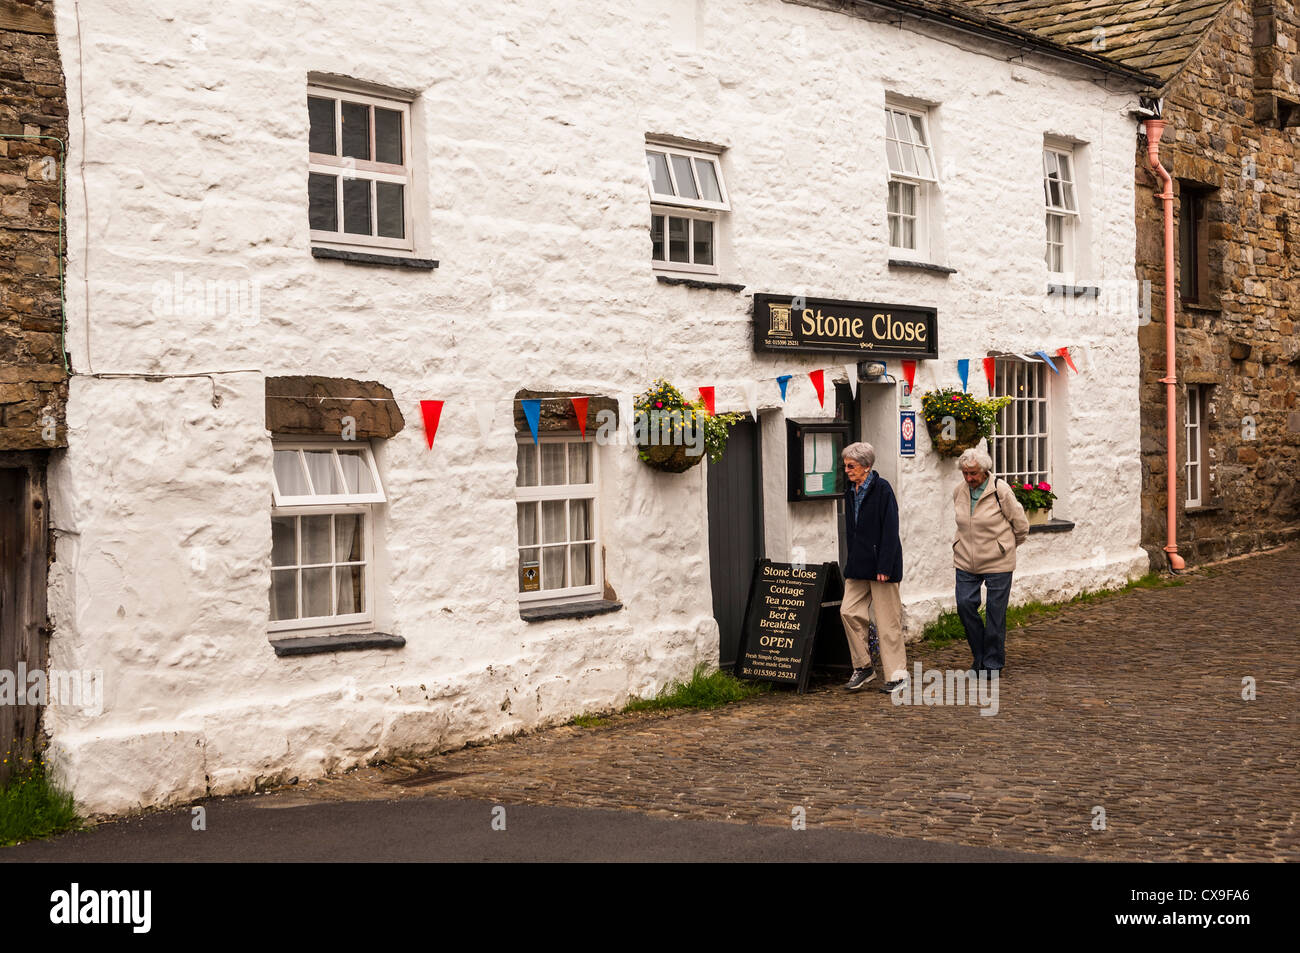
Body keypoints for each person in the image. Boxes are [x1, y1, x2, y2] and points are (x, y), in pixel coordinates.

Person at [952, 447, 1029, 675]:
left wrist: (1005, 546)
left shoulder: (1000, 490)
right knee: (965, 605)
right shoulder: (959, 491)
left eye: (973, 473)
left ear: (985, 471)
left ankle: (992, 664)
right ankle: (980, 656)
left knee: (995, 614)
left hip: (998, 561)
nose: (969, 478)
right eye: (965, 473)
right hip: (965, 559)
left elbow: (1021, 525)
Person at [839, 442, 908, 695]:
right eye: (845, 465)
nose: (846, 470)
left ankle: (897, 675)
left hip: (882, 567)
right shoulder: (850, 491)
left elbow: (891, 529)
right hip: (858, 565)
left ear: (867, 467)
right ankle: (864, 666)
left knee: (888, 622)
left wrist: (885, 565)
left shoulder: (882, 489)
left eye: (851, 466)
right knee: (848, 611)